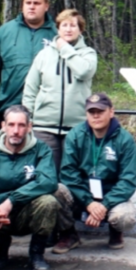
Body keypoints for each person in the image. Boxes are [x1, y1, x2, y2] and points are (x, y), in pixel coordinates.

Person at [0, 105, 58, 270]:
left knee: (49, 202)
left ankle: (36, 254)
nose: (16, 131)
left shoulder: (41, 150)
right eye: (11, 125)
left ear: (29, 127)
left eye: (21, 125)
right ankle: (0, 248)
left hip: (26, 212)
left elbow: (49, 182)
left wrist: (12, 200)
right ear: (3, 126)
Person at [53, 93, 136, 254]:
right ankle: (69, 234)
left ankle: (116, 231)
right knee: (56, 190)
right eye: (91, 112)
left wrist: (104, 205)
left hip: (111, 197)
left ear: (111, 112)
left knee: (125, 217)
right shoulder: (75, 135)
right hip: (82, 196)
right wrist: (88, 202)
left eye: (100, 111)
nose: (96, 116)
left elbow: (128, 180)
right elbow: (68, 173)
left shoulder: (125, 140)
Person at [23, 9, 97, 171]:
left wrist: (65, 49)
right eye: (64, 25)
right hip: (44, 127)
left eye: (73, 25)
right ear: (58, 28)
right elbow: (30, 88)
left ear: (80, 30)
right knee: (47, 173)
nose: (68, 29)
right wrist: (28, 117)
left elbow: (83, 71)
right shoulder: (44, 55)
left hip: (76, 127)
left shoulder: (88, 54)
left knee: (73, 173)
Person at [0, 0, 57, 131]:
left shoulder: (57, 34)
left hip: (46, 113)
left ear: (46, 6)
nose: (32, 7)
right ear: (22, 5)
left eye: (37, 3)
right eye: (28, 3)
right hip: (9, 109)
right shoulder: (5, 32)